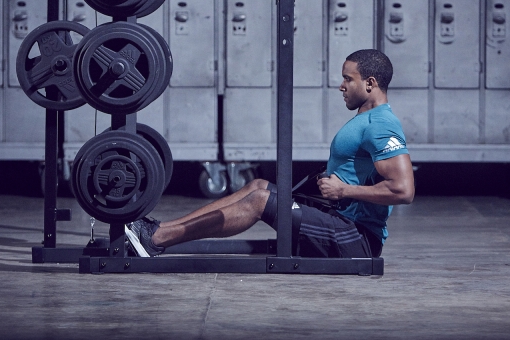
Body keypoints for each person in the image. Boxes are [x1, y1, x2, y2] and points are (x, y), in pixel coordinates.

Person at [125, 49, 415, 259]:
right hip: (341, 220)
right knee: (258, 186)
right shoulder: (367, 120)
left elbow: (403, 190)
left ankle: (158, 240)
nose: (341, 85)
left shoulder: (382, 124)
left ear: (370, 83)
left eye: (348, 79)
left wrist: (344, 189)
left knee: (260, 201)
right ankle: (159, 230)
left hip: (356, 238)